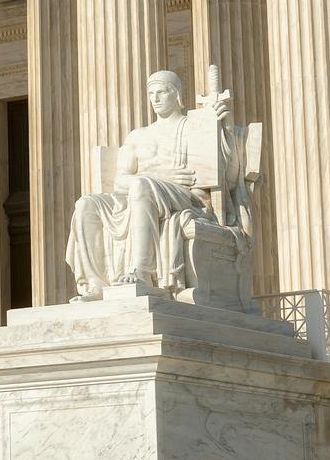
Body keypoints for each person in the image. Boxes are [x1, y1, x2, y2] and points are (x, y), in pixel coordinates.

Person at [64, 70, 235, 298]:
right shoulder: (137, 136)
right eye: (151, 93)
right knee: (85, 204)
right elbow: (119, 181)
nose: (155, 99)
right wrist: (160, 174)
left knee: (141, 186)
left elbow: (226, 175)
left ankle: (142, 271)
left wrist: (225, 128)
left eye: (161, 92)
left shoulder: (192, 127)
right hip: (139, 194)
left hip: (185, 197)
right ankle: (97, 283)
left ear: (177, 95)